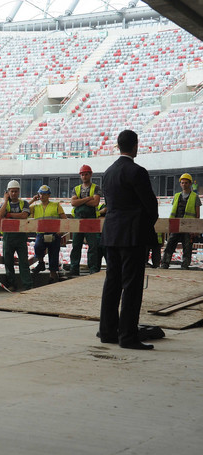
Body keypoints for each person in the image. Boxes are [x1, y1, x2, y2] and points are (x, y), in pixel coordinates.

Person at [99, 129, 158, 350]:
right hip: (132, 235)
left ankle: (107, 331)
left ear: (118, 145)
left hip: (111, 233)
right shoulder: (137, 171)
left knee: (112, 284)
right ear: (135, 146)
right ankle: (128, 336)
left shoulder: (108, 172)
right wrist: (145, 226)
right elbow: (150, 207)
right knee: (131, 287)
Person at [0, 180, 33, 292]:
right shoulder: (4, 204)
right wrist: (5, 201)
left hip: (20, 236)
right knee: (8, 262)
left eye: (16, 191)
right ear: (8, 192)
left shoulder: (24, 203)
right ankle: (11, 284)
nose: (14, 194)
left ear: (19, 191)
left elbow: (24, 215)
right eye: (11, 191)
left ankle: (27, 285)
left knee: (24, 262)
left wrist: (9, 215)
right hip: (8, 237)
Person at [160, 173, 201, 270]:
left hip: (188, 227)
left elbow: (197, 215)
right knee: (170, 244)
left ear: (190, 184)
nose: (184, 184)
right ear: (180, 184)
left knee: (187, 247)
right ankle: (165, 263)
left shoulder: (195, 197)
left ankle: (185, 265)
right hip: (176, 226)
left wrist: (195, 229)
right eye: (182, 183)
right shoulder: (177, 196)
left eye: (186, 183)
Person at [69, 165, 102, 276]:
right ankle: (74, 269)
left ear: (90, 174)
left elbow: (95, 203)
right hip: (78, 221)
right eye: (82, 174)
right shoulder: (76, 188)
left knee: (93, 246)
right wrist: (88, 198)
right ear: (80, 175)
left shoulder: (96, 188)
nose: (84, 176)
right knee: (76, 245)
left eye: (86, 174)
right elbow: (73, 203)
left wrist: (80, 201)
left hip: (91, 220)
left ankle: (92, 268)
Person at [30, 185, 67, 283]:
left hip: (54, 234)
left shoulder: (56, 206)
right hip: (41, 234)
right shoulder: (35, 207)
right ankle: (41, 263)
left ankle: (53, 276)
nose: (42, 196)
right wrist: (33, 200)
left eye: (44, 194)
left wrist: (61, 231)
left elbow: (64, 220)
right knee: (38, 247)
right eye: (40, 194)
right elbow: (24, 210)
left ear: (49, 195)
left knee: (54, 254)